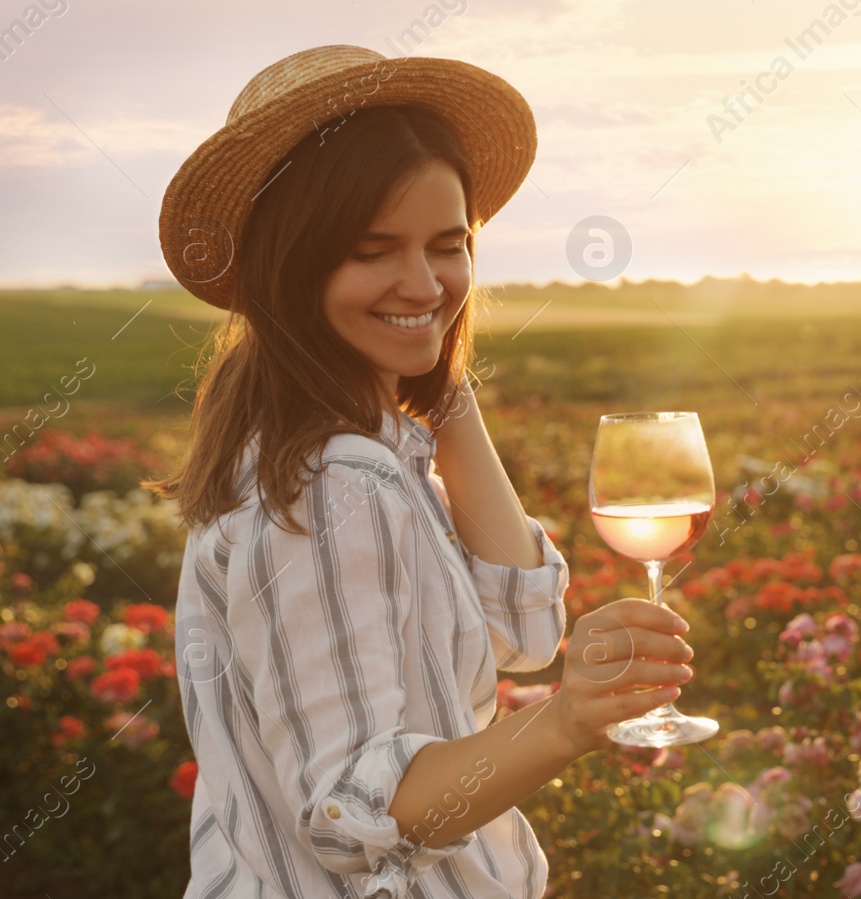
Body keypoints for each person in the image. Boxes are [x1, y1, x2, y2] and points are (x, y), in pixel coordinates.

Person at [149, 44, 696, 898]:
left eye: (448, 245)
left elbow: (523, 628)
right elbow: (351, 813)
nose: (424, 280)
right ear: (292, 265)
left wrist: (440, 385)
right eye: (374, 250)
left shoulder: (374, 457)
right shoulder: (329, 489)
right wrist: (568, 720)